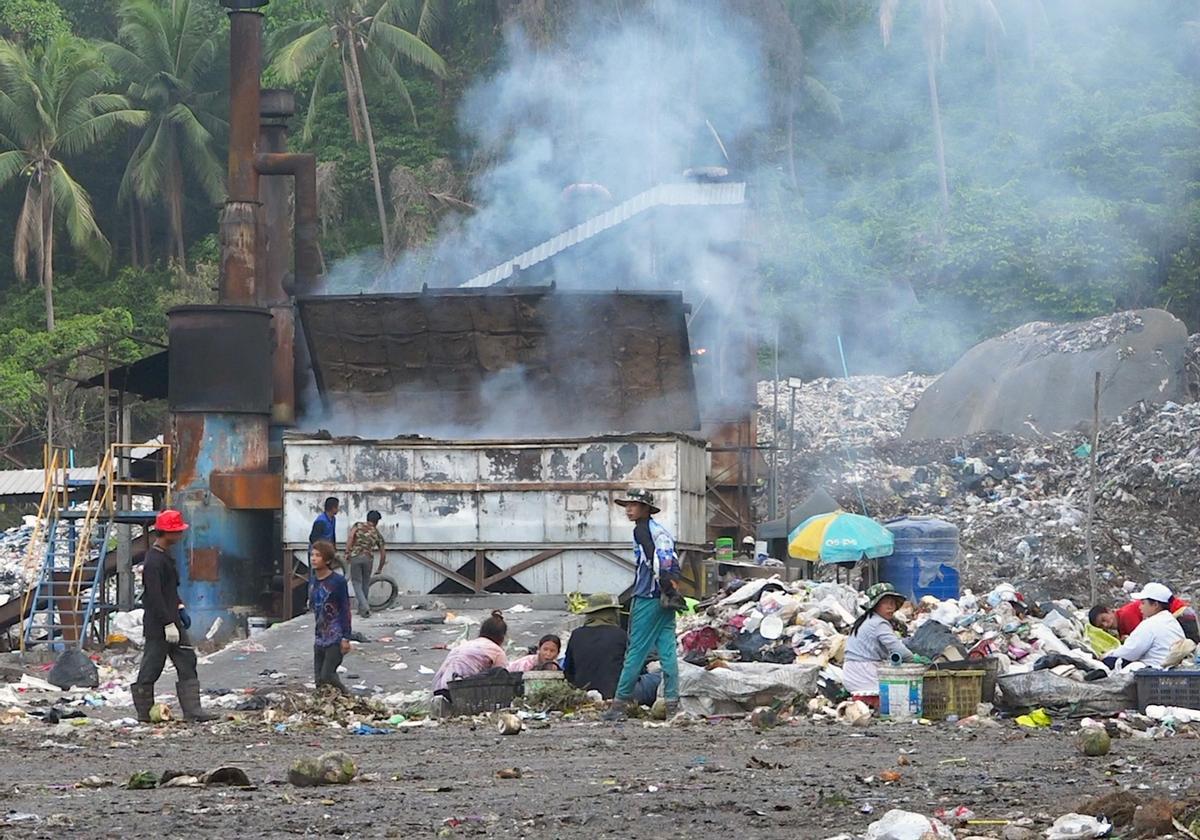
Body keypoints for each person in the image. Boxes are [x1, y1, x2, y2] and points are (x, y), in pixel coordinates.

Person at [131, 510, 217, 723]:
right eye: (176, 532)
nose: (180, 536)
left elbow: (168, 591)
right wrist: (167, 622)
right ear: (165, 533)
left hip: (172, 622)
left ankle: (193, 711)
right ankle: (145, 713)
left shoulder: (165, 557)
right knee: (151, 667)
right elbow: (154, 596)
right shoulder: (153, 562)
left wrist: (178, 608)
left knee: (187, 661)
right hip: (159, 625)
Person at [603, 489, 682, 721]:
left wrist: (663, 586)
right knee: (668, 651)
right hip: (667, 598)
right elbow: (670, 562)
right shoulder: (662, 531)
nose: (629, 509)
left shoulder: (642, 530)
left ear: (645, 509)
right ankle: (672, 705)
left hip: (648, 596)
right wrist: (672, 592)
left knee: (636, 651)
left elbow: (655, 561)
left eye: (634, 505)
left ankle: (619, 704)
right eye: (627, 505)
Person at [843, 583, 925, 706]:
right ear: (875, 605)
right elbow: (900, 650)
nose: (890, 607)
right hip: (864, 672)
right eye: (886, 602)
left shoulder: (867, 620)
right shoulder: (879, 623)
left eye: (892, 603)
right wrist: (915, 660)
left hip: (852, 672)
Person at [431, 610, 510, 712]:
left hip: (438, 687)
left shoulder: (465, 644)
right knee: (499, 673)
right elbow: (505, 677)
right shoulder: (496, 650)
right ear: (502, 637)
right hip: (459, 688)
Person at [1103, 583, 1186, 670]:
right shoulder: (1172, 621)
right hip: (1171, 667)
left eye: (1143, 603)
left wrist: (1108, 655)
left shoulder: (1150, 624)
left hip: (1156, 670)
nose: (1139, 607)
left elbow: (1130, 652)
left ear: (1155, 605)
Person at [564, 593, 628, 699]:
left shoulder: (577, 634)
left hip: (582, 695)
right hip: (613, 694)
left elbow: (568, 670)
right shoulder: (621, 635)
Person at [309, 540, 353, 693]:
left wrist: (346, 637)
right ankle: (324, 707)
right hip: (320, 636)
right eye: (312, 555)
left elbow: (345, 608)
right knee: (319, 680)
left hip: (335, 636)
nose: (313, 558)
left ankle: (347, 696)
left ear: (327, 560)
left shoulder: (338, 581)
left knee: (328, 674)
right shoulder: (314, 581)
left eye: (318, 556)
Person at [1091, 590, 1199, 643]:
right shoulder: (1121, 624)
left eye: (1104, 619)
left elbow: (1141, 639)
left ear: (1109, 611)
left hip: (1180, 615)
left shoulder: (1125, 615)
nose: (1106, 625)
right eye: (1102, 626)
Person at [346, 511, 386, 618]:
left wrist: (347, 552)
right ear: (377, 522)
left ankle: (365, 606)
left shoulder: (358, 525)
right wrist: (380, 568)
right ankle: (362, 610)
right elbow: (383, 553)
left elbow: (350, 537)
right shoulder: (377, 533)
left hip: (356, 556)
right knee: (365, 583)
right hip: (368, 559)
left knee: (356, 582)